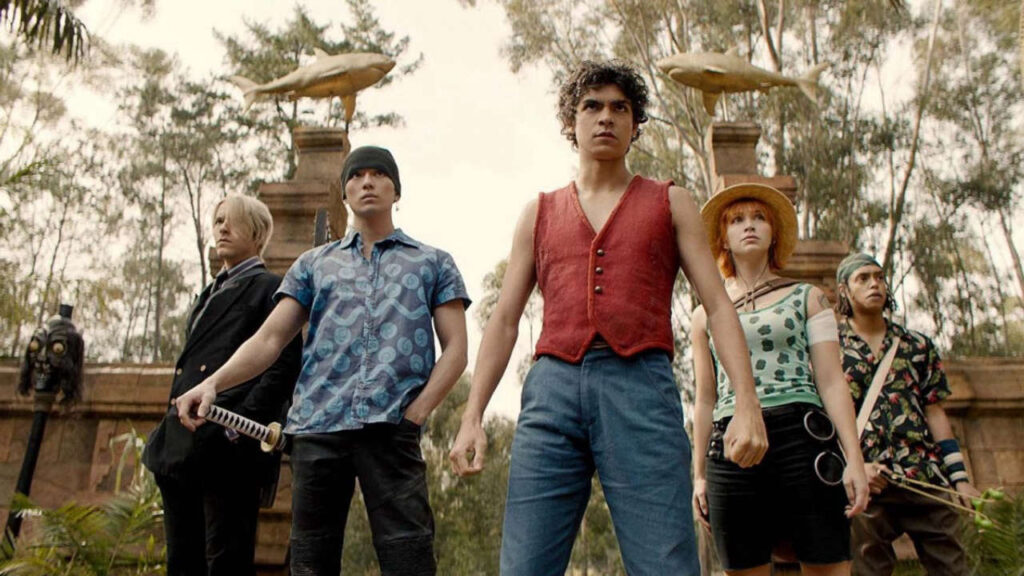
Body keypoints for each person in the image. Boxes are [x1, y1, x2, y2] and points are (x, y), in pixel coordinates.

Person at [448, 60, 768, 576]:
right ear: (570, 122)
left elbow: (717, 304)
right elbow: (505, 319)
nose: (605, 117)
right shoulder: (538, 212)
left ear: (635, 124)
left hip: (641, 388)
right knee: (524, 566)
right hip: (551, 392)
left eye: (620, 108)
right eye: (591, 106)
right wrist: (472, 416)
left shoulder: (671, 202)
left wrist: (747, 401)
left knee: (666, 565)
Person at [174, 146, 470, 576]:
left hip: (392, 428)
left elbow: (456, 349)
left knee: (409, 559)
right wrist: (212, 383)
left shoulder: (432, 263)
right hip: (317, 428)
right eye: (356, 176)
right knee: (310, 563)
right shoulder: (313, 265)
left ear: (396, 190)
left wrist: (416, 414)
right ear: (345, 193)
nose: (367, 182)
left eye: (378, 174)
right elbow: (270, 339)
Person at [690, 184, 869, 576]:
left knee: (827, 564)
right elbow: (704, 399)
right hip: (731, 443)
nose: (749, 226)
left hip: (804, 439)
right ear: (723, 239)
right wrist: (698, 475)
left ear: (774, 234)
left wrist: (854, 460)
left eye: (759, 218)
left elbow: (832, 381)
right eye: (737, 220)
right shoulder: (704, 316)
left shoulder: (809, 298)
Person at [143, 194, 302, 576]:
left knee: (226, 563)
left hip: (230, 451)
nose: (223, 229)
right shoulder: (208, 292)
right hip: (180, 445)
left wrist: (237, 428)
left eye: (233, 221)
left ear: (258, 232)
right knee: (182, 562)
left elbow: (282, 366)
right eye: (218, 221)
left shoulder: (271, 288)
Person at [836, 252, 980, 576]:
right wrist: (854, 466)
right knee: (866, 570)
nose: (875, 284)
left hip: (925, 475)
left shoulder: (917, 345)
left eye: (879, 277)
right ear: (844, 290)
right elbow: (825, 418)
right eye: (863, 278)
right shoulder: (829, 348)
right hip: (867, 481)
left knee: (953, 568)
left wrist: (959, 479)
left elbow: (935, 412)